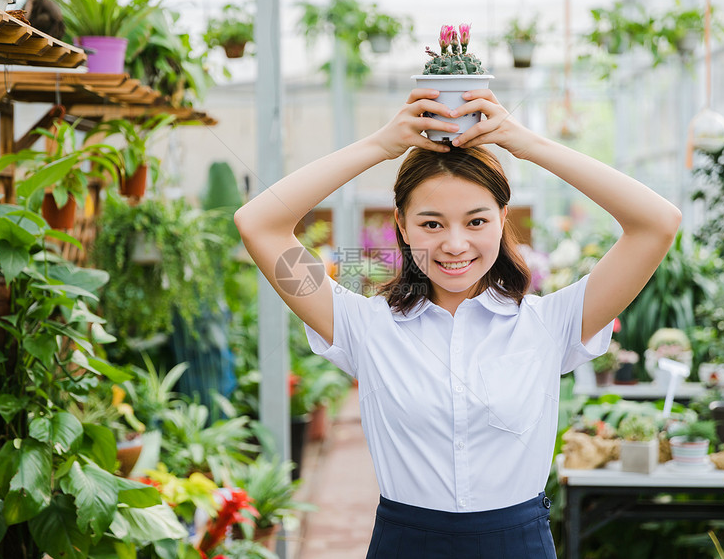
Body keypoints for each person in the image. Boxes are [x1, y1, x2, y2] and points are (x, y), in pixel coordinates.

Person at [234, 89, 681, 558]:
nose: (454, 244)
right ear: (402, 227)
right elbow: (260, 224)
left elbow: (657, 223)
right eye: (431, 224)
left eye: (475, 221)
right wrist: (381, 146)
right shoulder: (360, 325)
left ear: (503, 219)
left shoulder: (551, 322)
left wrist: (525, 143)